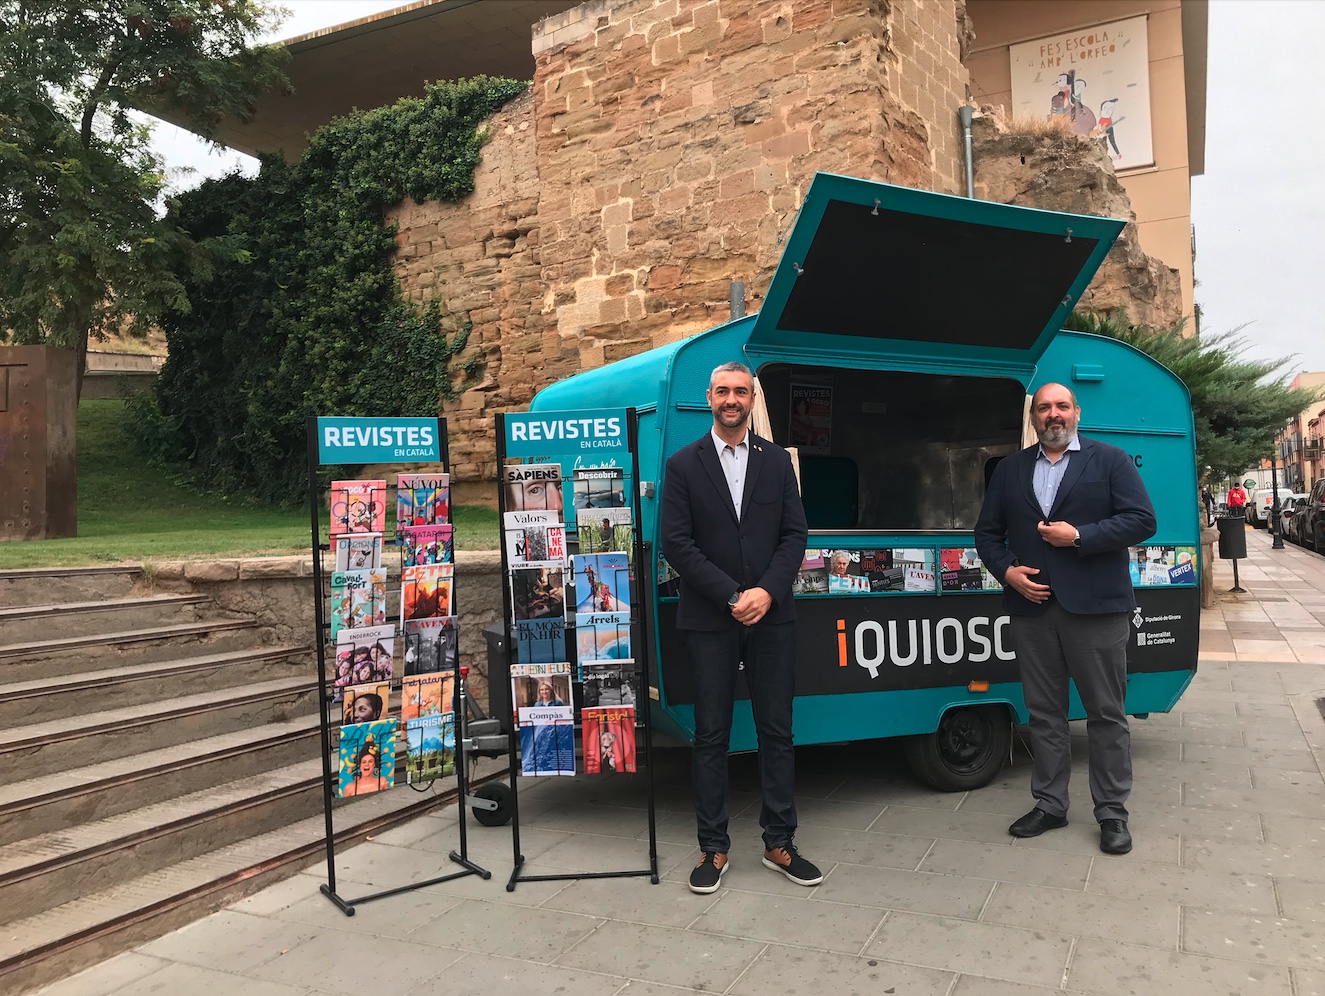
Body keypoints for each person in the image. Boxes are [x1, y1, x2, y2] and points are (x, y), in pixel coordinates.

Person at [660, 361, 821, 894]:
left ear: (752, 400)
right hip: (710, 617)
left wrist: (766, 592)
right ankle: (714, 847)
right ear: (709, 397)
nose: (732, 399)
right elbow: (676, 543)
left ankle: (780, 841)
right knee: (711, 735)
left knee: (778, 732)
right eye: (723, 391)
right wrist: (732, 595)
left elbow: (794, 535)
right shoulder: (683, 464)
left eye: (741, 392)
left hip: (773, 616)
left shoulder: (777, 462)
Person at [975, 383, 1156, 856]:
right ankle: (1051, 804)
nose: (1053, 414)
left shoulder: (1109, 460)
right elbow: (987, 533)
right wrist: (1008, 572)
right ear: (1033, 417)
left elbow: (1141, 520)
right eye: (1043, 408)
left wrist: (1079, 536)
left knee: (1106, 714)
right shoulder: (1010, 469)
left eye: (1061, 406)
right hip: (1031, 610)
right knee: (1044, 714)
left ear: (1076, 411)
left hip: (1096, 609)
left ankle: (1112, 812)